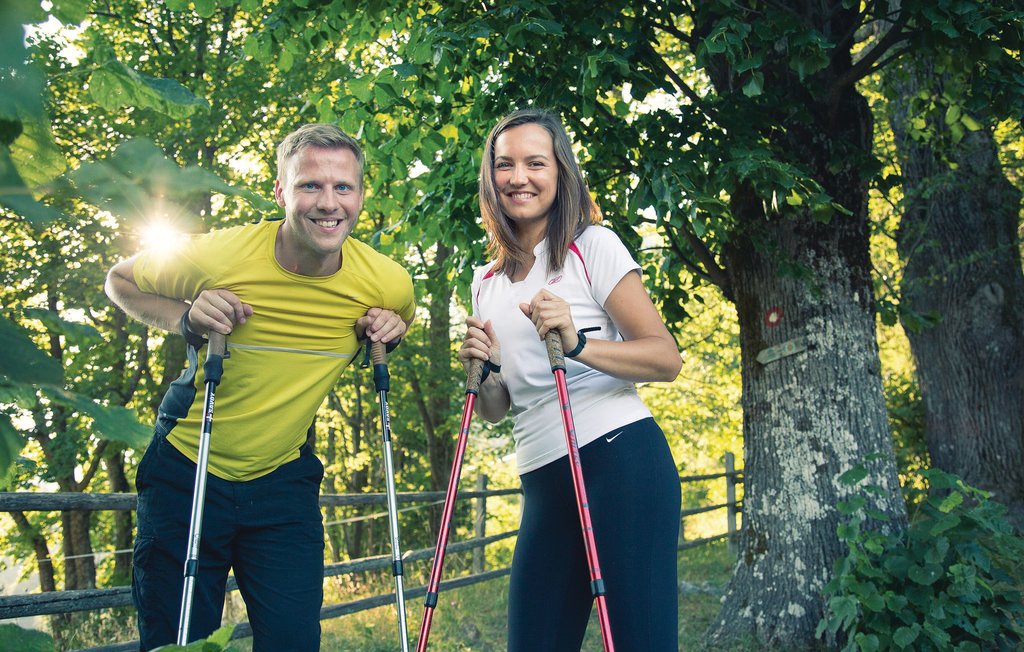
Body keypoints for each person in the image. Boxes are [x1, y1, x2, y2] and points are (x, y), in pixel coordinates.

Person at [105, 124, 415, 651]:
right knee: (179, 642)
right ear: (280, 193)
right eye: (309, 185)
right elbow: (120, 280)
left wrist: (391, 331)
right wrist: (187, 317)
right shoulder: (220, 255)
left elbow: (394, 326)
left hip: (283, 482)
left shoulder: (387, 283)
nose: (329, 203)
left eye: (343, 187)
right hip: (187, 468)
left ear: (361, 196)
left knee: (294, 641)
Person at [458, 108, 683, 651]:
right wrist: (484, 372)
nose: (519, 177)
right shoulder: (484, 282)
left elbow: (665, 358)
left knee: (639, 642)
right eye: (505, 165)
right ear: (490, 177)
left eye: (536, 163)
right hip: (541, 476)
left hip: (620, 460)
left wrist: (578, 343)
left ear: (560, 172)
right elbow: (497, 408)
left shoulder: (592, 246)